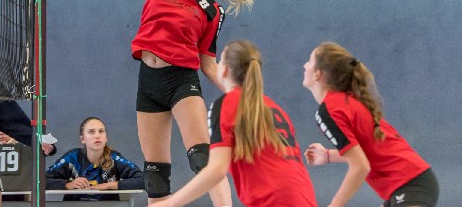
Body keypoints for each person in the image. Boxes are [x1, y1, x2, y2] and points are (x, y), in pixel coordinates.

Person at [113, 0, 263, 205]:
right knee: (155, 176)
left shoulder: (211, 9)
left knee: (201, 159)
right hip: (148, 80)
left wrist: (240, 94)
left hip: (181, 80)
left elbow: (207, 62)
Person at [155, 40, 317, 207]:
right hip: (306, 198)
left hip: (273, 200)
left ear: (224, 70)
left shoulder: (227, 104)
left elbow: (217, 169)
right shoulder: (273, 107)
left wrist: (169, 203)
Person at [303, 42, 439, 207]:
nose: (305, 65)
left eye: (309, 61)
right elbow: (366, 152)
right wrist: (327, 156)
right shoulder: (343, 103)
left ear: (318, 74)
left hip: (411, 185)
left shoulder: (330, 110)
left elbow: (360, 167)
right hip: (411, 184)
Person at [45, 116, 144, 201]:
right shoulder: (72, 158)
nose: (97, 135)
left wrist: (108, 186)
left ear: (106, 138)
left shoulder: (114, 159)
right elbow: (41, 180)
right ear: (82, 139)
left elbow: (143, 180)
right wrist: (67, 185)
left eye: (101, 131)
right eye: (91, 132)